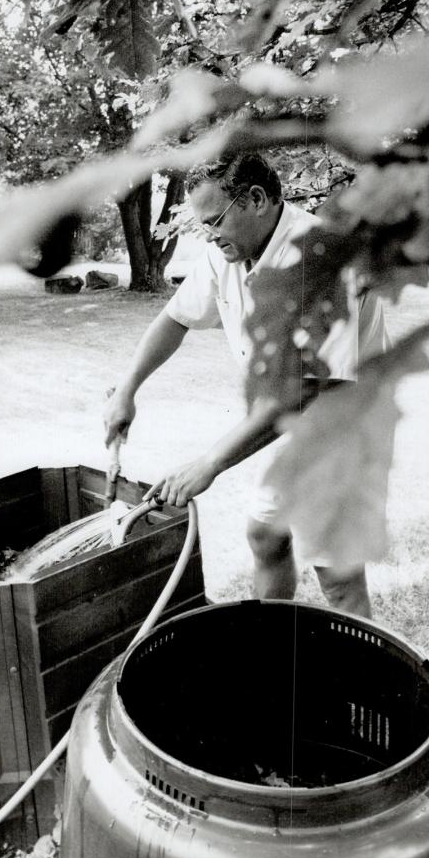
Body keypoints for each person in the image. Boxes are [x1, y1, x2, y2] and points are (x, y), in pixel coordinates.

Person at [103, 153, 389, 618]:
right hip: (286, 417)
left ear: (256, 199)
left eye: (215, 220)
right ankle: (270, 649)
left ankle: (363, 682)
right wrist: (127, 390)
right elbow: (175, 318)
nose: (210, 235)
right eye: (203, 226)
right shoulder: (228, 253)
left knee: (336, 573)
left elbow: (305, 390)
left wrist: (208, 464)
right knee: (266, 534)